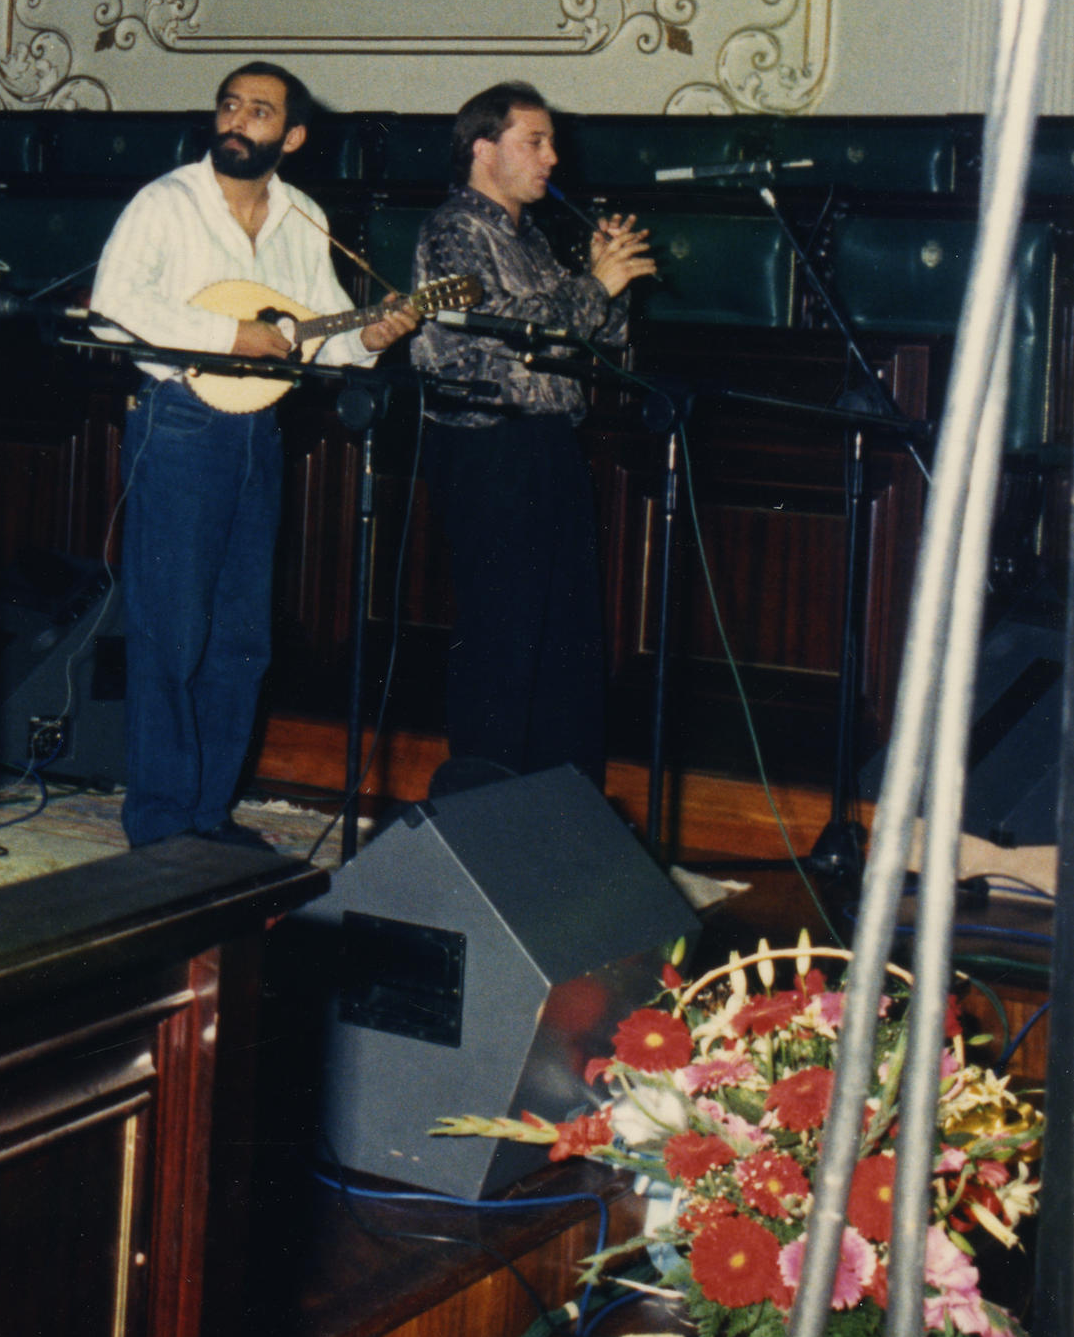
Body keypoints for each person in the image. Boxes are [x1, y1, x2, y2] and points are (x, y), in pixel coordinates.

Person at [91, 62, 417, 850]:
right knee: (171, 632)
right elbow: (110, 309)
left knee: (240, 634)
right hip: (176, 423)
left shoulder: (300, 214)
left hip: (257, 430)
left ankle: (207, 815)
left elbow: (321, 331)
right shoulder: (165, 203)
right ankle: (162, 826)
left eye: (259, 112)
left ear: (293, 136)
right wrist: (225, 335)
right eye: (229, 106)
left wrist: (369, 337)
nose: (237, 121)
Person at [410, 82, 655, 794]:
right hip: (488, 448)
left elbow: (593, 342)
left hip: (546, 446)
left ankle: (560, 805)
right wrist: (592, 287)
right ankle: (487, 812)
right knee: (504, 636)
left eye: (550, 143)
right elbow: (502, 335)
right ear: (482, 149)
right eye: (534, 141)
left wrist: (606, 280)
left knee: (564, 638)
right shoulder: (454, 229)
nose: (552, 157)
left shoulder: (531, 236)